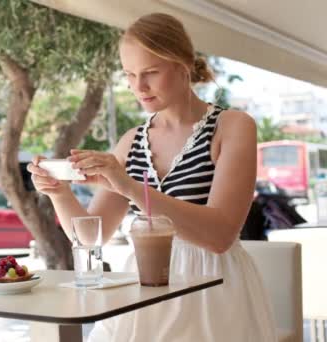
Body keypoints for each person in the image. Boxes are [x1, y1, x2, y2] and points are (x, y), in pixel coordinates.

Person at [27, 12, 277, 342]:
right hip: (144, 288)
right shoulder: (131, 142)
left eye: (150, 73)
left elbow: (220, 236)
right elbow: (91, 238)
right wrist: (58, 193)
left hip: (212, 289)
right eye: (130, 74)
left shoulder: (232, 126)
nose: (138, 87)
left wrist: (128, 186)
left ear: (184, 64)